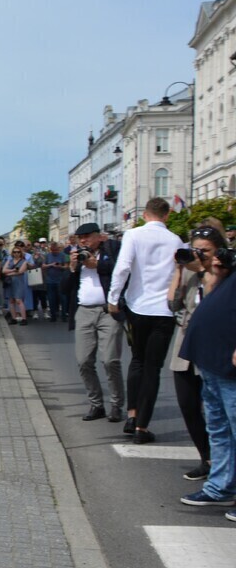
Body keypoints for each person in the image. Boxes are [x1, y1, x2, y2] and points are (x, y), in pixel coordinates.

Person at [107, 198, 189, 443]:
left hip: (137, 307)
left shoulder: (133, 235)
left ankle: (132, 416)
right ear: (166, 216)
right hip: (163, 311)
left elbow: (122, 268)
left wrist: (113, 298)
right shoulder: (175, 240)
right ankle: (142, 427)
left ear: (145, 214)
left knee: (137, 362)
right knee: (153, 368)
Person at [178, 239, 236, 510]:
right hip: (211, 359)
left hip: (228, 361)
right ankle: (220, 486)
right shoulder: (221, 272)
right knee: (219, 428)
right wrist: (217, 270)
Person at [168, 226, 224, 481]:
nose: (199, 255)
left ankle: (221, 465)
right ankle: (206, 457)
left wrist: (203, 269)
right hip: (186, 344)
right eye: (196, 250)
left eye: (205, 251)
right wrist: (179, 268)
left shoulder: (223, 273)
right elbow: (172, 303)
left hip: (214, 346)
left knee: (219, 411)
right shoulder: (191, 272)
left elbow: (215, 300)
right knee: (188, 405)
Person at [64, 223, 125, 423]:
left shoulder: (112, 249)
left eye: (87, 236)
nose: (83, 241)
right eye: (80, 238)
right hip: (84, 311)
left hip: (108, 311)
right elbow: (64, 289)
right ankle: (96, 404)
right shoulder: (78, 257)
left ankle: (116, 404)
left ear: (99, 236)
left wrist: (97, 265)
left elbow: (122, 270)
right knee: (83, 361)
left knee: (110, 360)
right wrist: (72, 268)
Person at [1, 240, 32, 325]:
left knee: (19, 300)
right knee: (11, 300)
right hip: (10, 283)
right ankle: (13, 318)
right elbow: (3, 270)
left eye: (18, 252)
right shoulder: (9, 260)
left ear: (20, 252)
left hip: (18, 282)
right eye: (14, 252)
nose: (16, 253)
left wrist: (9, 273)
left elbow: (21, 272)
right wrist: (13, 270)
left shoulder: (24, 261)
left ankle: (24, 318)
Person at [43, 241, 70, 321]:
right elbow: (43, 266)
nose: (54, 252)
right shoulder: (47, 256)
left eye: (56, 250)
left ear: (58, 249)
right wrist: (51, 265)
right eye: (53, 250)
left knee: (63, 298)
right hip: (50, 280)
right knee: (51, 299)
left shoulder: (63, 255)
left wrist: (60, 266)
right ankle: (53, 316)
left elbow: (66, 267)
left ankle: (64, 315)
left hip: (60, 280)